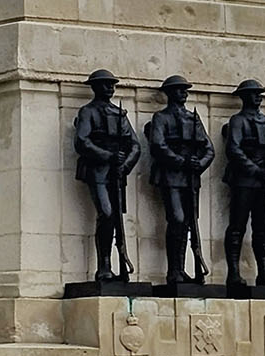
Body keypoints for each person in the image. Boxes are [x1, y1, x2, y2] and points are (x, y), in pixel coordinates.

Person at [73, 68, 142, 282]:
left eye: (112, 84)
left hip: (117, 173)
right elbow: (82, 141)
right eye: (105, 84)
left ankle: (115, 264)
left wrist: (126, 164)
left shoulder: (119, 113)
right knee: (106, 213)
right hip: (97, 170)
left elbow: (135, 145)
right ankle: (103, 265)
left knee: (115, 218)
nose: (110, 88)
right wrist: (107, 156)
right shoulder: (88, 112)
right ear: (95, 87)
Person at [145, 74, 214, 285]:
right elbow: (158, 145)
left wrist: (200, 163)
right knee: (176, 219)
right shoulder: (161, 118)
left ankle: (181, 270)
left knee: (188, 223)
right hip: (171, 175)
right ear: (169, 93)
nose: (183, 93)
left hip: (191, 177)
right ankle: (173, 270)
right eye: (179, 89)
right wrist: (181, 161)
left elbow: (209, 148)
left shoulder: (193, 118)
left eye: (185, 89)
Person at [221, 79, 265, 288]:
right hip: (244, 180)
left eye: (260, 93)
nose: (258, 97)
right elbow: (234, 149)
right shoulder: (238, 121)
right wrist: (255, 169)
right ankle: (233, 273)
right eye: (254, 93)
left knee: (263, 228)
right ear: (244, 97)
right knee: (237, 226)